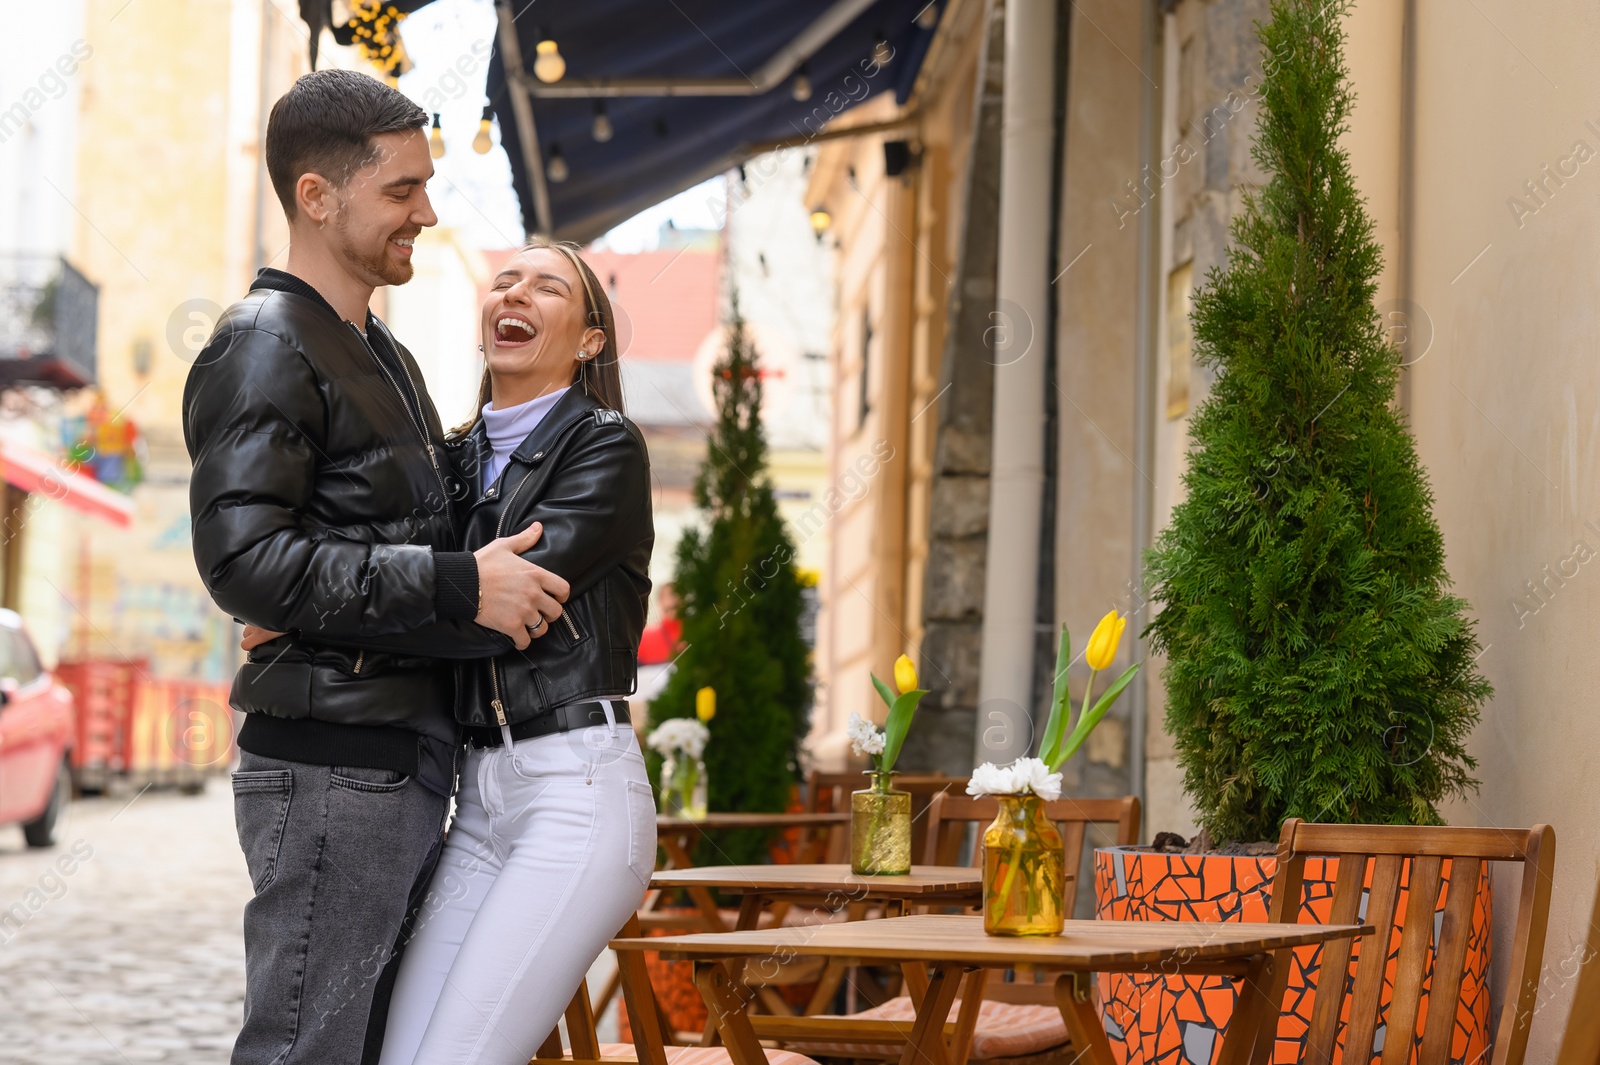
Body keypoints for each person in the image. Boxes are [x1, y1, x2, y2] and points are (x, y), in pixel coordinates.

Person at [182, 69, 567, 1065]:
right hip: (331, 769)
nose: (426, 212)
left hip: (387, 759)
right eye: (401, 189)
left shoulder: (376, 350)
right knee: (305, 1049)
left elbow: (394, 534)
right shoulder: (265, 346)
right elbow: (246, 563)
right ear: (317, 196)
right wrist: (452, 588)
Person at [374, 240, 656, 1065]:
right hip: (478, 798)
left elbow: (506, 604)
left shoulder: (605, 445)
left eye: (546, 286)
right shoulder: (448, 458)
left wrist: (397, 595)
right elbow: (455, 590)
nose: (516, 294)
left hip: (577, 788)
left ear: (590, 338)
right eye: (504, 280)